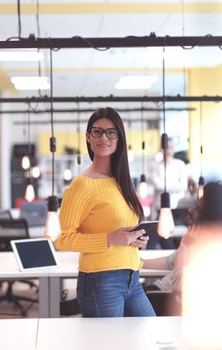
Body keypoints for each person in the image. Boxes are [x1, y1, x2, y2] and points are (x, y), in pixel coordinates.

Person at [54, 107, 155, 318]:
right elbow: (62, 239)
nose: (104, 138)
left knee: (149, 336)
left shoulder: (123, 181)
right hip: (100, 281)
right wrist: (110, 239)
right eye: (97, 131)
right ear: (88, 137)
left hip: (132, 278)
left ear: (119, 138)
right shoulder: (82, 185)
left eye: (111, 132)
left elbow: (124, 229)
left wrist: (135, 239)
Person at [142, 181, 222, 315]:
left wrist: (185, 246)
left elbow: (179, 289)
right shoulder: (200, 238)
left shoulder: (215, 249)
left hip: (163, 298)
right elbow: (170, 261)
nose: (190, 210)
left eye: (198, 209)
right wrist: (138, 262)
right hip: (159, 293)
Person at [147, 137, 188, 249]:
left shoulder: (180, 165)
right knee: (153, 244)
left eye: (170, 148)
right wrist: (175, 187)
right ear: (160, 149)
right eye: (165, 148)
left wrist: (166, 188)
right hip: (158, 212)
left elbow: (183, 186)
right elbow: (159, 186)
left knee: (169, 243)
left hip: (175, 211)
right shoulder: (154, 166)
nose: (168, 151)